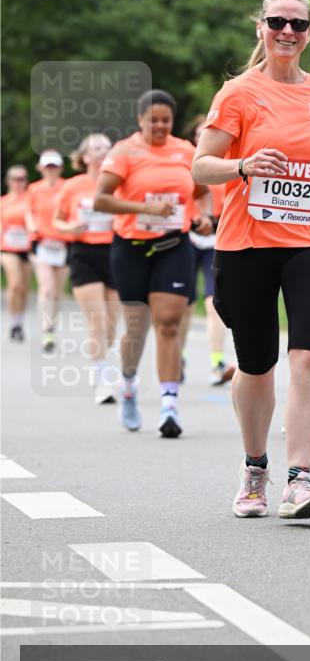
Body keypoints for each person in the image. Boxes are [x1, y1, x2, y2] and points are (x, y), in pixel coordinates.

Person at [192, 0, 310, 520]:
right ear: (261, 27)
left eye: (298, 24)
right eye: (277, 22)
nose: (287, 31)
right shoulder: (238, 93)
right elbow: (201, 166)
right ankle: (254, 467)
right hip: (247, 242)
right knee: (257, 363)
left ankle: (300, 479)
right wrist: (243, 166)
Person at [94, 89, 208, 438]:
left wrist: (203, 217)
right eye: (153, 119)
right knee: (136, 327)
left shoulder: (185, 151)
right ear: (140, 119)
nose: (159, 125)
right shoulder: (125, 151)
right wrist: (145, 209)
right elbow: (101, 200)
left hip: (174, 246)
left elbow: (203, 193)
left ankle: (169, 407)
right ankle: (128, 384)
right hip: (131, 248)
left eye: (165, 120)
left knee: (170, 324)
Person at [53, 134, 120, 405]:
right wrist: (71, 228)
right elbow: (57, 221)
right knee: (97, 320)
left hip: (115, 253)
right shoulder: (72, 186)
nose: (103, 152)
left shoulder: (119, 183)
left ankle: (101, 364)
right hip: (83, 253)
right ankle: (102, 378)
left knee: (112, 326)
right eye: (96, 148)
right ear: (84, 157)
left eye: (107, 147)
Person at [179, 115, 236, 388]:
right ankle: (178, 357)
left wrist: (215, 221)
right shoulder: (186, 161)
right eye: (202, 132)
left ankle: (216, 362)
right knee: (184, 303)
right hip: (188, 237)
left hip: (218, 237)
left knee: (214, 302)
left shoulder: (230, 161)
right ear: (194, 138)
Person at [25, 150, 69, 352]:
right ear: (41, 169)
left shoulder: (67, 188)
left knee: (57, 292)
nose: (51, 170)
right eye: (47, 167)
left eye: (54, 166)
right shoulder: (34, 189)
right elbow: (28, 212)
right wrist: (32, 226)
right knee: (47, 288)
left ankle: (52, 327)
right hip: (42, 243)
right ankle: (46, 331)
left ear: (60, 168)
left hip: (63, 244)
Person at [0, 164, 32, 341]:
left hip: (27, 248)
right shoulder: (3, 202)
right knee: (15, 284)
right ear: (8, 181)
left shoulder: (31, 199)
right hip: (7, 247)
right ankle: (12, 321)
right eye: (15, 179)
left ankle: (19, 322)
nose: (19, 182)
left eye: (22, 179)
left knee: (24, 289)